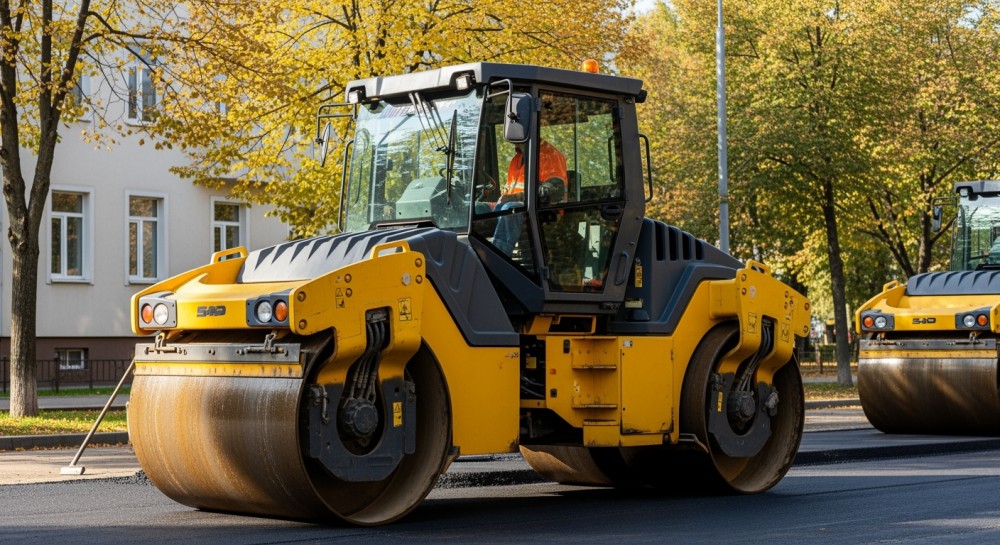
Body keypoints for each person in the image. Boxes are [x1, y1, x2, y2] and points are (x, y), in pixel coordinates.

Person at [492, 139, 567, 255]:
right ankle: (479, 254)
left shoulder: (551, 156)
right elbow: (508, 191)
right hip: (516, 208)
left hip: (542, 210)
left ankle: (497, 258)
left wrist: (516, 197)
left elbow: (551, 192)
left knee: (509, 209)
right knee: (478, 208)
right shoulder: (516, 160)